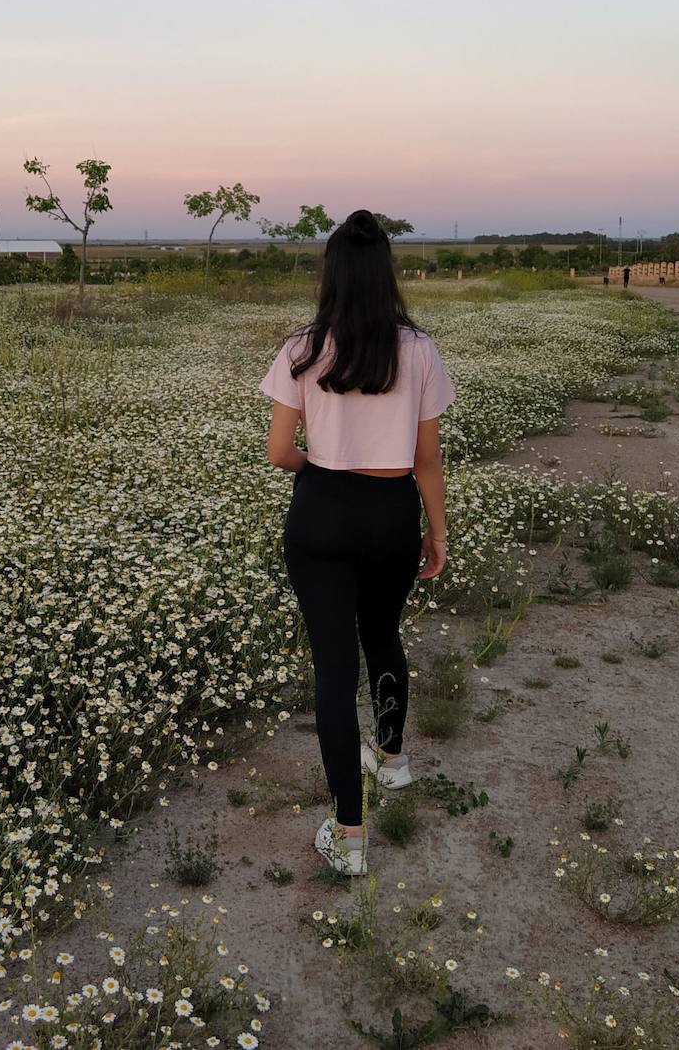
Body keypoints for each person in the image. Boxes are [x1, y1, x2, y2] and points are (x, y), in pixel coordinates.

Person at [258, 208, 455, 876]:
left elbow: (279, 451)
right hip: (390, 512)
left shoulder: (303, 349)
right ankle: (394, 762)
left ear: (332, 274)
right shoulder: (418, 349)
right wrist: (437, 528)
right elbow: (427, 458)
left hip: (320, 514)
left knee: (334, 670)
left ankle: (348, 835)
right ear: (386, 272)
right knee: (384, 634)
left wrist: (321, 465)